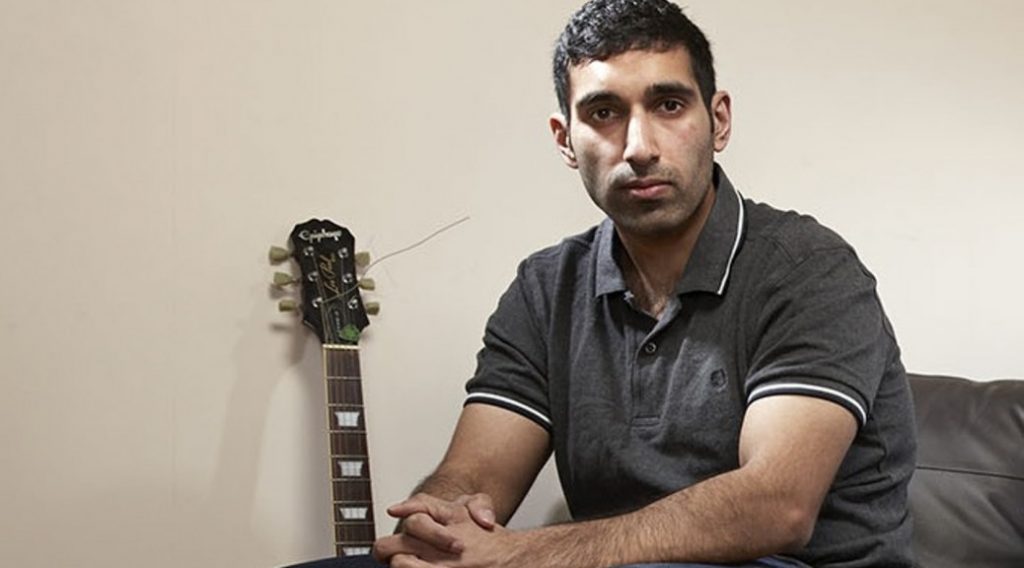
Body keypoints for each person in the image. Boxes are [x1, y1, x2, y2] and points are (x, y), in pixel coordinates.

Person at [288, 1, 916, 566]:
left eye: (668, 105)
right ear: (566, 140)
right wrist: (439, 523)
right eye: (604, 113)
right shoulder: (545, 288)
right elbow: (474, 474)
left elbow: (775, 506)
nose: (639, 146)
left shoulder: (808, 268)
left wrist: (518, 554)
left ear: (718, 121)